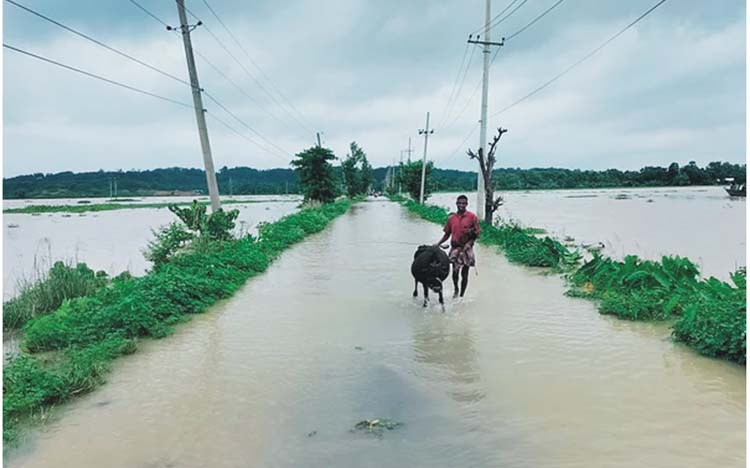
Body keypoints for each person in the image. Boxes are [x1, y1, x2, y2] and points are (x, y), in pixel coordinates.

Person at [433, 194, 480, 298]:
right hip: (455, 248)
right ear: (456, 204)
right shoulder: (451, 218)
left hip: (467, 248)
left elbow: (477, 234)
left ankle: (462, 295)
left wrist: (469, 244)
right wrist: (438, 243)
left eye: (464, 203)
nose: (461, 205)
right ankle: (456, 289)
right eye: (459, 203)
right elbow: (447, 234)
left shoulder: (472, 217)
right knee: (455, 271)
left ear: (467, 204)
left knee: (465, 273)